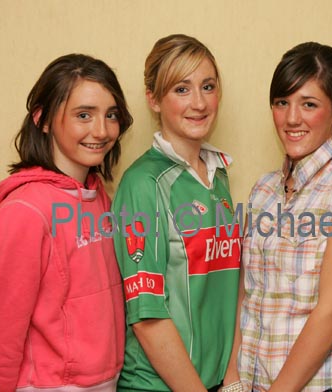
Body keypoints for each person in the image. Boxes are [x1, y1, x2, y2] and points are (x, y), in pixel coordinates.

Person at [0, 54, 133, 391]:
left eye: (111, 116)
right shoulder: (24, 211)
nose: (102, 130)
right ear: (43, 119)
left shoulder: (101, 200)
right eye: (84, 115)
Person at [228, 42, 332, 392]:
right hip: (253, 381)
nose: (291, 118)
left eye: (309, 104)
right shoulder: (264, 189)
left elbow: (331, 314)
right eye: (282, 102)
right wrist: (232, 379)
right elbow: (248, 292)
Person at [112, 34, 240, 392]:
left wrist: (232, 378)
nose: (199, 103)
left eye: (208, 86)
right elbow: (147, 316)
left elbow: (229, 290)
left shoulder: (219, 175)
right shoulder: (143, 184)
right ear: (153, 99)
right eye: (181, 89)